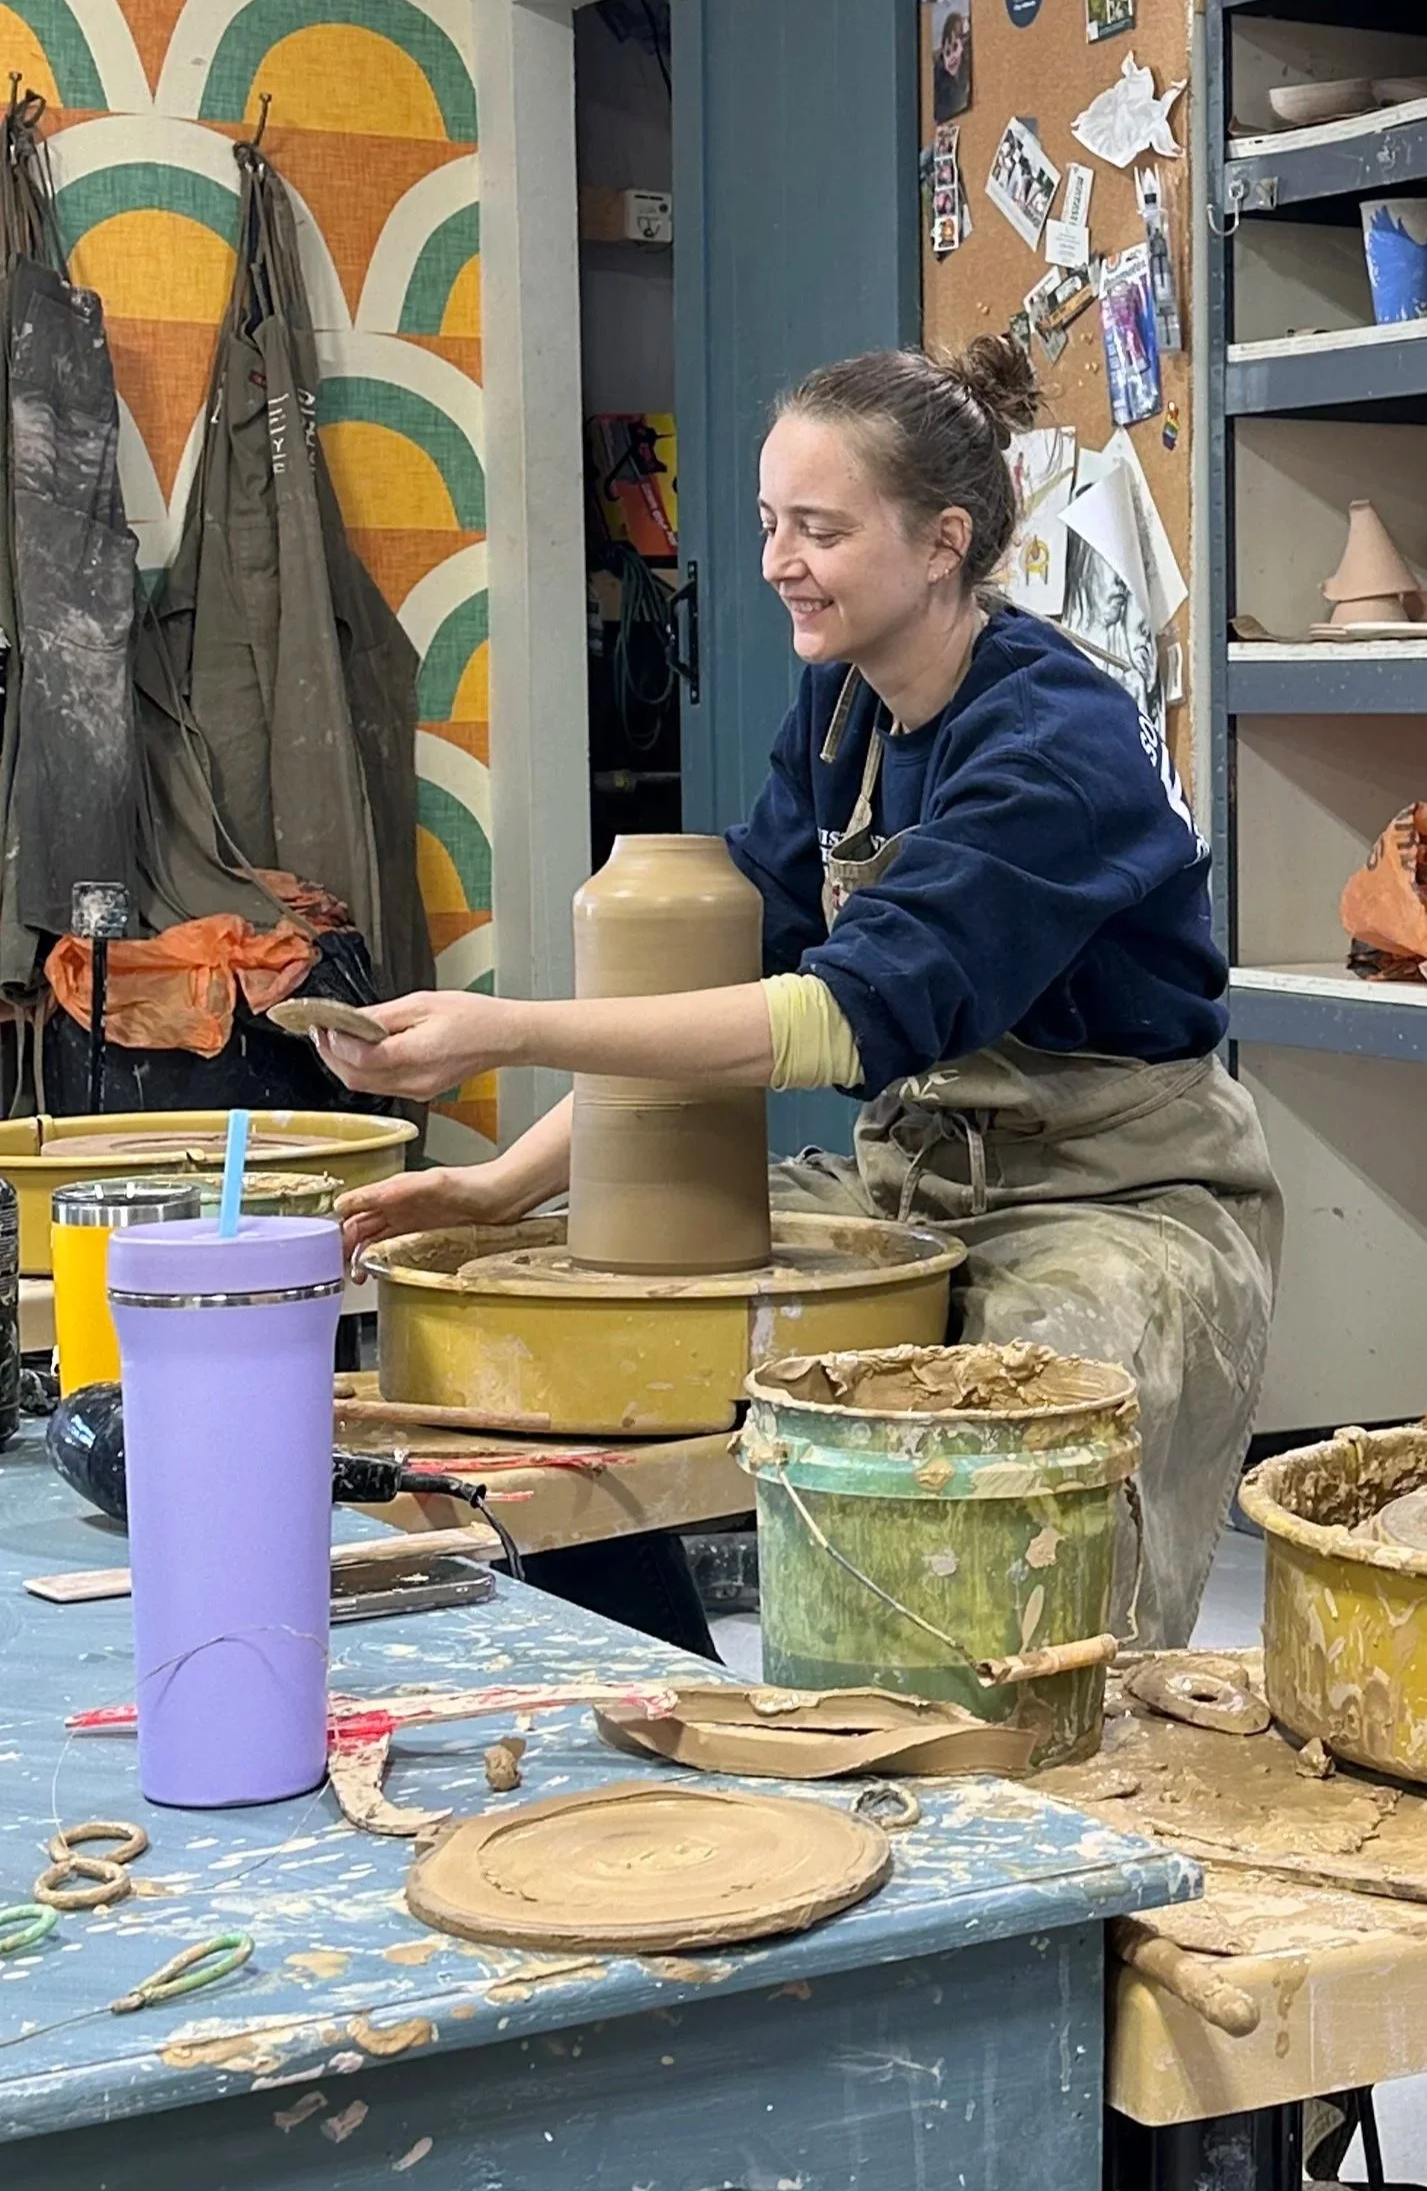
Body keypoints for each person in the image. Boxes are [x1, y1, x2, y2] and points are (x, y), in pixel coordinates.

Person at [319, 335, 1282, 1658]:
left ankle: (1028, 1748)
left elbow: (832, 1019)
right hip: (913, 1173)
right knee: (606, 1304)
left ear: (943, 541)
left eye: (818, 530)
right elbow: (719, 987)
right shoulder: (839, 714)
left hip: (1116, 1196)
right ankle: (652, 1673)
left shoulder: (1058, 744)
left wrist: (508, 1030)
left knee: (1014, 1417)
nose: (776, 561)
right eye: (770, 523)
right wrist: (506, 1189)